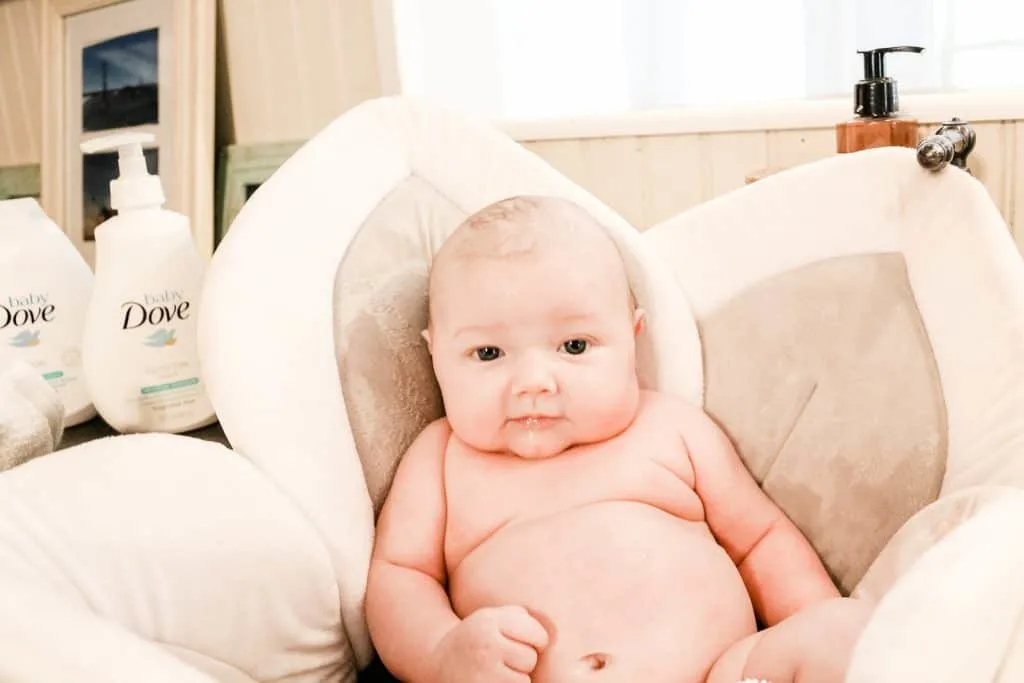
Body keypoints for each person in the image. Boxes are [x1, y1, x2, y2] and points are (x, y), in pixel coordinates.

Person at [365, 195, 873, 683]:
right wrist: (440, 654)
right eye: (489, 354)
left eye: (573, 345)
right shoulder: (442, 459)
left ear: (633, 339)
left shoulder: (671, 430)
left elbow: (762, 541)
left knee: (844, 632)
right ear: (435, 355)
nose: (533, 382)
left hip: (728, 672)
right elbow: (399, 578)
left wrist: (811, 617)